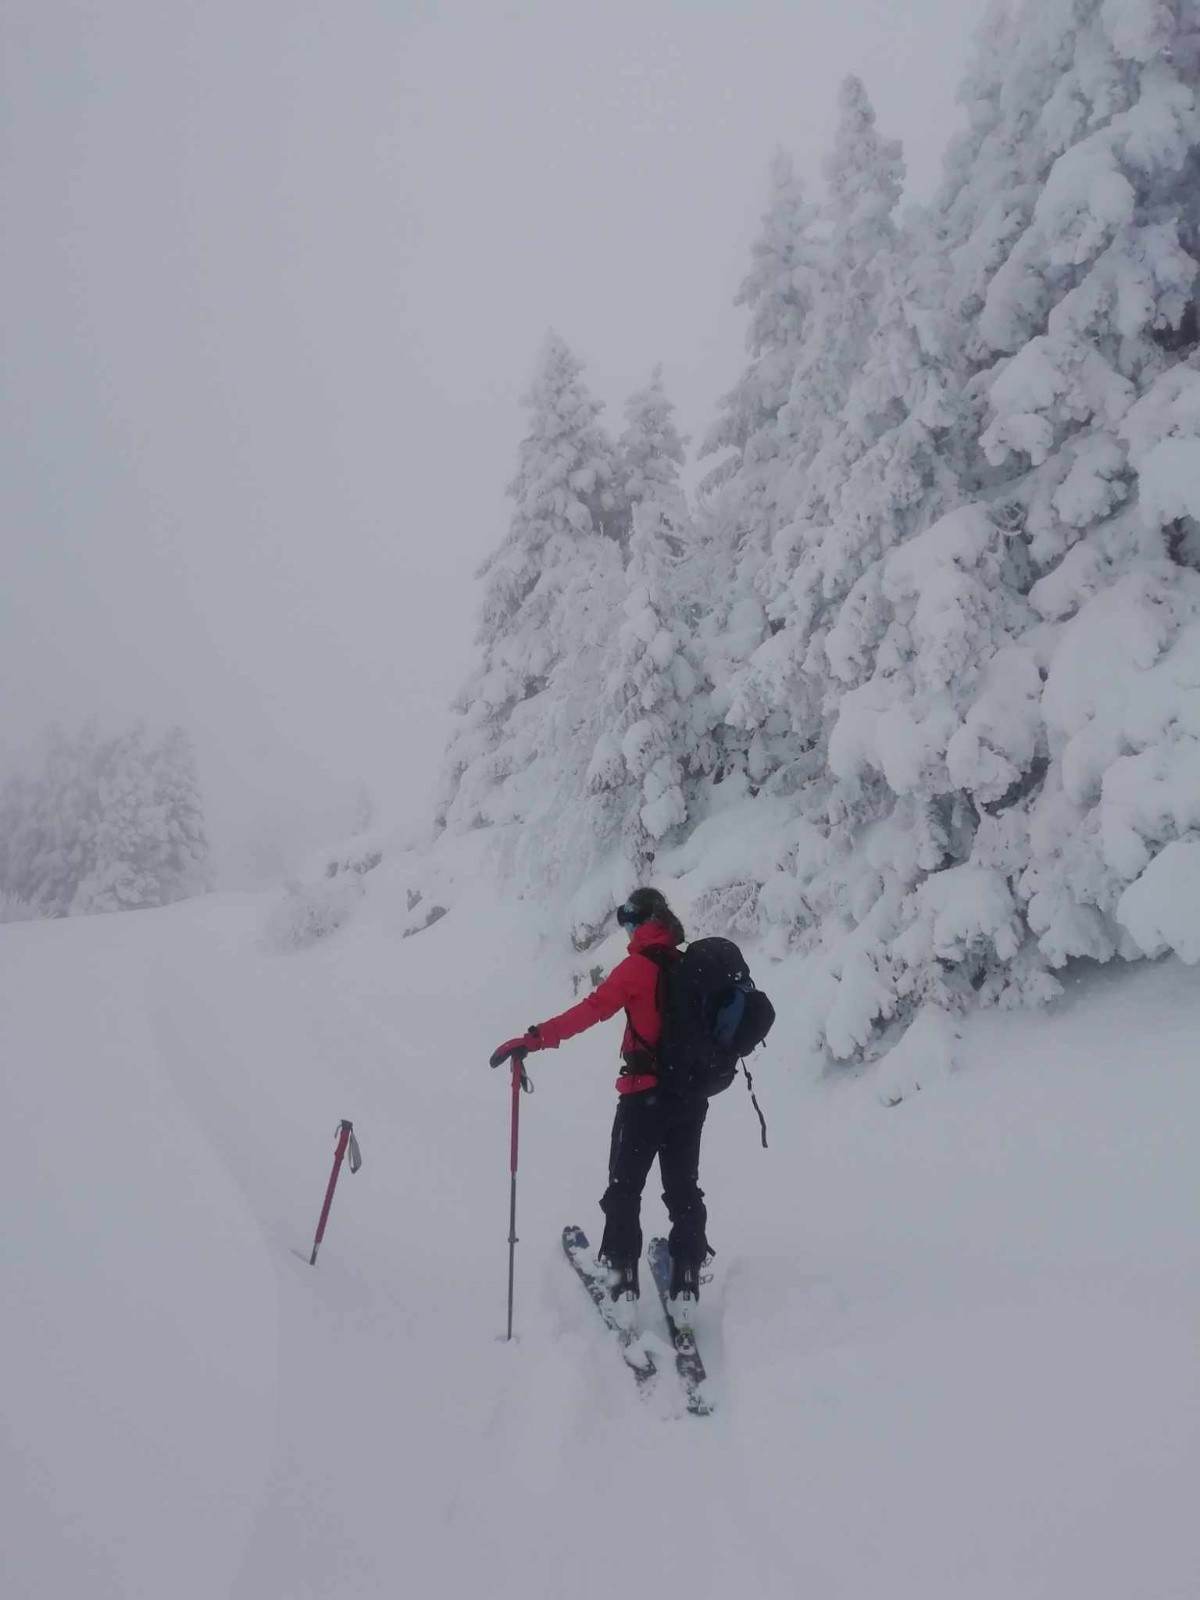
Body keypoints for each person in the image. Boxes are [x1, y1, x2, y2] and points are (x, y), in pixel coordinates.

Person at [490, 887, 710, 1316]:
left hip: (643, 1097)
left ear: (642, 921)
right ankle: (686, 1284)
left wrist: (533, 1040)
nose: (626, 929)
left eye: (629, 921)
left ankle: (623, 1284)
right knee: (683, 1189)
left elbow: (590, 1011)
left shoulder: (636, 969)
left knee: (625, 1188)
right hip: (689, 1098)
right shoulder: (688, 966)